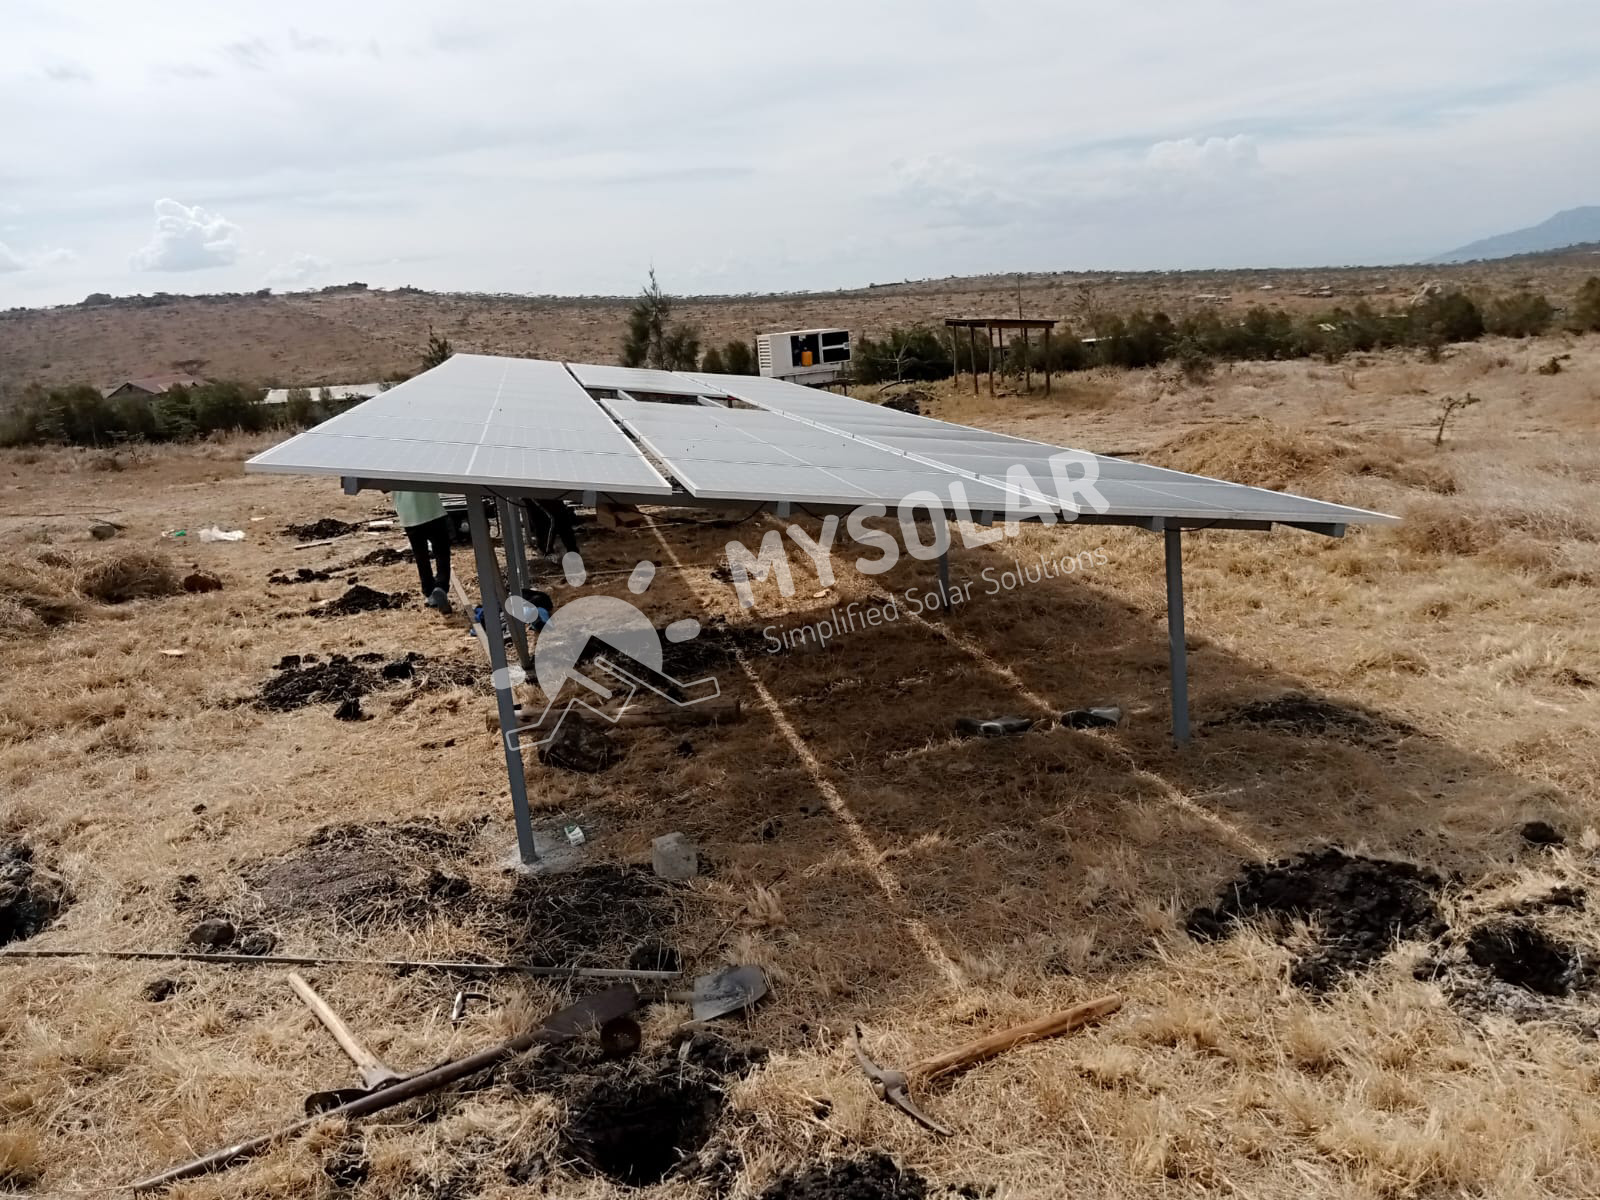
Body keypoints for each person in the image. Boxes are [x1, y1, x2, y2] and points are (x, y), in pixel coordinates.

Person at [392, 491, 453, 612]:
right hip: (431, 509)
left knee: (421, 556)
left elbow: (384, 487)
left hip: (408, 513)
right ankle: (441, 585)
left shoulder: (390, 470)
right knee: (442, 551)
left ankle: (429, 592)